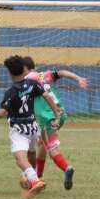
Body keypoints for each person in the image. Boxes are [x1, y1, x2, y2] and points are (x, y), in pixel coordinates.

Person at [0, 55, 63, 199]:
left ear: (10, 73)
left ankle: (35, 180)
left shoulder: (11, 92)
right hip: (33, 126)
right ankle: (32, 178)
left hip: (19, 129)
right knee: (31, 154)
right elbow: (47, 96)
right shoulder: (32, 83)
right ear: (24, 70)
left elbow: (3, 112)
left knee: (20, 159)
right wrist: (56, 114)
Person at [22, 56, 87, 190]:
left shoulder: (28, 79)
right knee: (42, 143)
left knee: (52, 148)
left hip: (48, 117)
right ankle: (38, 176)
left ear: (24, 69)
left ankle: (67, 168)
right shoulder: (45, 75)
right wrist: (78, 78)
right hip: (60, 114)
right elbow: (62, 72)